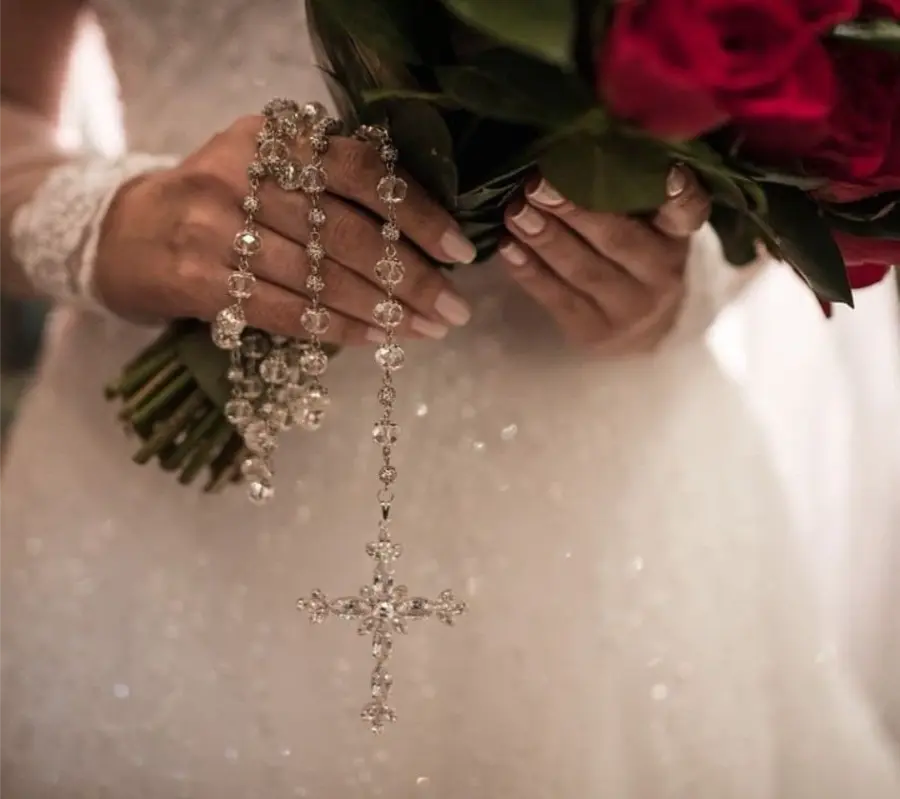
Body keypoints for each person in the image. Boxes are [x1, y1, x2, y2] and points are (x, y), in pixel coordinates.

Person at [0, 1, 898, 797]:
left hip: (599, 531)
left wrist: (685, 276)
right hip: (159, 545)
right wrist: (117, 223)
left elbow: (789, 109)